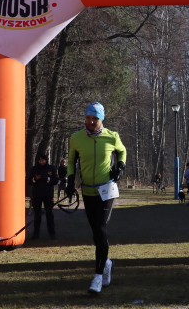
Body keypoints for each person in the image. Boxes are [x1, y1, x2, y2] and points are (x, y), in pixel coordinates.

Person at [66, 102, 127, 294]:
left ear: (101, 119)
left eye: (95, 118)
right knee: (95, 232)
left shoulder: (112, 137)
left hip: (106, 190)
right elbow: (70, 161)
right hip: (88, 191)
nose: (91, 121)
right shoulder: (76, 138)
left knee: (101, 229)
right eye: (88, 117)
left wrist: (120, 166)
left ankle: (98, 276)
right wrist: (69, 181)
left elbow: (122, 151)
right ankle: (107, 262)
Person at [29, 154, 58, 239]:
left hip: (48, 195)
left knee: (49, 214)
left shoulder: (51, 168)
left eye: (43, 160)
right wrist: (35, 179)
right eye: (40, 160)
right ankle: (36, 235)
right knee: (37, 215)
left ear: (46, 160)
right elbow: (29, 181)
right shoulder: (34, 169)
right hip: (37, 194)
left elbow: (55, 180)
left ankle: (52, 234)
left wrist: (47, 179)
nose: (41, 162)